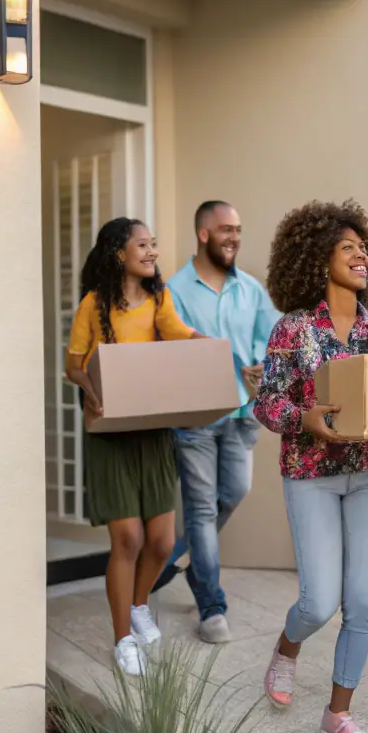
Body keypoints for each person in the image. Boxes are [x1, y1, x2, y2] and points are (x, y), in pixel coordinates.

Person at [253, 200, 368, 733]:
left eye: (364, 248)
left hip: (367, 479)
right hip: (310, 477)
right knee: (318, 601)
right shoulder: (293, 329)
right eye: (347, 247)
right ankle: (287, 649)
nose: (362, 256)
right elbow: (267, 401)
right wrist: (300, 419)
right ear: (317, 258)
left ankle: (338, 713)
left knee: (361, 601)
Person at [64, 218, 200, 676]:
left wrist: (217, 353)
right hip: (112, 435)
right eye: (142, 245)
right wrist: (92, 390)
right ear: (119, 254)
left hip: (153, 430)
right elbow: (74, 366)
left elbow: (181, 336)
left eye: (153, 244)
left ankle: (140, 604)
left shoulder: (159, 299)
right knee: (128, 538)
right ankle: (123, 638)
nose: (151, 252)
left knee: (161, 541)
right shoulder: (93, 304)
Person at [151, 201, 278, 644]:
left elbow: (271, 337)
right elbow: (172, 348)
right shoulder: (173, 290)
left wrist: (262, 364)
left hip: (243, 413)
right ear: (203, 233)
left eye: (238, 230)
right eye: (226, 229)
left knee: (236, 491)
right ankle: (211, 606)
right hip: (196, 418)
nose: (234, 237)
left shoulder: (251, 290)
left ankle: (178, 560)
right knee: (202, 509)